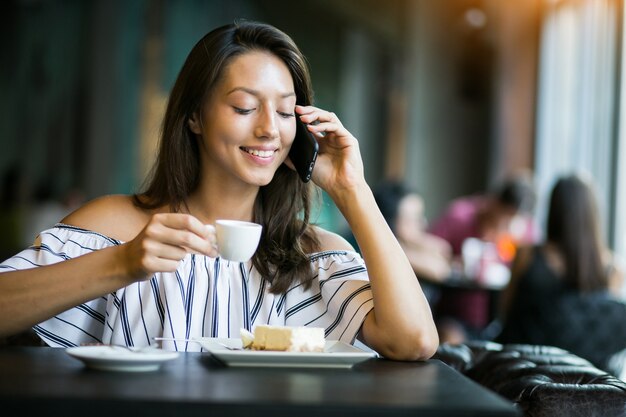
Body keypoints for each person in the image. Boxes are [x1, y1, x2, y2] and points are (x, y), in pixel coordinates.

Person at [0, 21, 438, 360]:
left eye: (285, 111)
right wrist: (122, 262)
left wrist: (352, 189)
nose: (269, 129)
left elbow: (415, 341)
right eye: (245, 107)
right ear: (194, 117)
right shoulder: (117, 227)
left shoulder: (310, 253)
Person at [496, 173, 626, 374]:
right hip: (584, 380)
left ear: (553, 210)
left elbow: (504, 310)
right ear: (593, 215)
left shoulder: (527, 255)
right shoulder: (612, 269)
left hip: (523, 371)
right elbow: (605, 335)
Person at [428, 173, 539, 342]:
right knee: (449, 337)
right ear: (494, 202)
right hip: (457, 315)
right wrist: (452, 263)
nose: (506, 226)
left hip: (503, 322)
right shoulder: (461, 216)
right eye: (503, 218)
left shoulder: (527, 234)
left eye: (514, 221)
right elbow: (429, 248)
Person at [373, 180, 452, 299]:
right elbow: (439, 270)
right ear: (391, 221)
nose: (422, 223)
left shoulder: (405, 246)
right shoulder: (390, 252)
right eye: (414, 218)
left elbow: (443, 249)